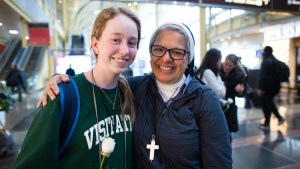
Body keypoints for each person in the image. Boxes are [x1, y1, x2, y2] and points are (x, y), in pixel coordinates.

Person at [38, 22, 232, 168]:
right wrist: (63, 82)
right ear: (150, 54)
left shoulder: (203, 99)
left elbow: (219, 163)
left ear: (188, 58)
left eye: (177, 52)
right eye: (159, 49)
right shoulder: (135, 87)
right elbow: (98, 82)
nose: (166, 58)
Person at [13, 7, 141, 169]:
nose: (124, 51)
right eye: (116, 40)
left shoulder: (129, 93)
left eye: (132, 43)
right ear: (95, 44)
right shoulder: (62, 95)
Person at [257, 46, 285, 131]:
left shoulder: (266, 61)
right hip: (276, 86)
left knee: (266, 103)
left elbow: (263, 76)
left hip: (268, 86)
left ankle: (268, 122)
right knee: (268, 102)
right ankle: (277, 118)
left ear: (265, 51)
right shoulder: (275, 60)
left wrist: (260, 88)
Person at [220, 54, 246, 141]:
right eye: (225, 64)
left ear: (235, 66)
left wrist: (240, 91)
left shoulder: (239, 75)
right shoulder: (218, 70)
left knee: (228, 131)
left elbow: (242, 94)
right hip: (217, 102)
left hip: (229, 105)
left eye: (230, 66)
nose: (226, 67)